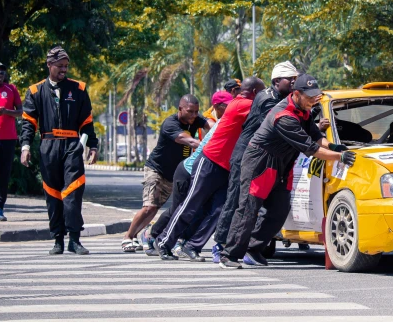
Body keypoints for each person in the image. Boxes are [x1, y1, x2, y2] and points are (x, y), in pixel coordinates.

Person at [219, 74, 356, 269]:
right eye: (309, 96)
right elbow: (311, 149)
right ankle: (229, 255)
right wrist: (339, 158)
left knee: (280, 210)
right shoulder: (283, 116)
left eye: (315, 95)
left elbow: (317, 138)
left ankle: (254, 248)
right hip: (260, 163)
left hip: (282, 164)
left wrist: (335, 148)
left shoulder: (304, 111)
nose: (313, 100)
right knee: (248, 209)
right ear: (297, 94)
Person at [155, 77, 265, 261]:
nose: (263, 96)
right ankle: (164, 241)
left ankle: (192, 245)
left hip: (226, 167)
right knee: (191, 204)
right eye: (261, 92)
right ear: (254, 92)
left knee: (219, 210)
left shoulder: (247, 104)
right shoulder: (242, 104)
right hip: (210, 161)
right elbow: (270, 113)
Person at [211, 61, 299, 261]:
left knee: (276, 207)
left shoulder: (287, 99)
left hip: (267, 160)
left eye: (296, 79)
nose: (295, 83)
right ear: (277, 81)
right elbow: (283, 122)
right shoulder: (265, 98)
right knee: (237, 202)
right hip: (246, 157)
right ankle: (222, 245)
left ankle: (252, 246)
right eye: (291, 80)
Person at [20, 46, 98, 255]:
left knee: (73, 191)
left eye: (66, 66)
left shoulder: (79, 89)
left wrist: (93, 145)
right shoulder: (35, 91)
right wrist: (25, 146)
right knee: (52, 193)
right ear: (49, 65)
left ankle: (74, 239)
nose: (64, 70)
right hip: (48, 146)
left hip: (72, 146)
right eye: (60, 66)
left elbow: (87, 122)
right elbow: (28, 123)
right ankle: (57, 239)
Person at [121, 94, 212, 252]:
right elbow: (189, 141)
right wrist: (211, 145)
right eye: (190, 111)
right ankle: (128, 237)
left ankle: (150, 234)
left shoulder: (196, 118)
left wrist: (218, 130)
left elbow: (211, 125)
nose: (194, 115)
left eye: (196, 112)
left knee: (174, 208)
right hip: (156, 169)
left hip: (175, 173)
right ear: (180, 109)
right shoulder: (170, 123)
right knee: (150, 207)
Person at [0, 62, 22, 221]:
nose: (1, 74)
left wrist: (6, 111)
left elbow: (21, 112)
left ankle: (0, 208)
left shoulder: (11, 89)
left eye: (3, 71)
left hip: (8, 138)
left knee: (4, 174)